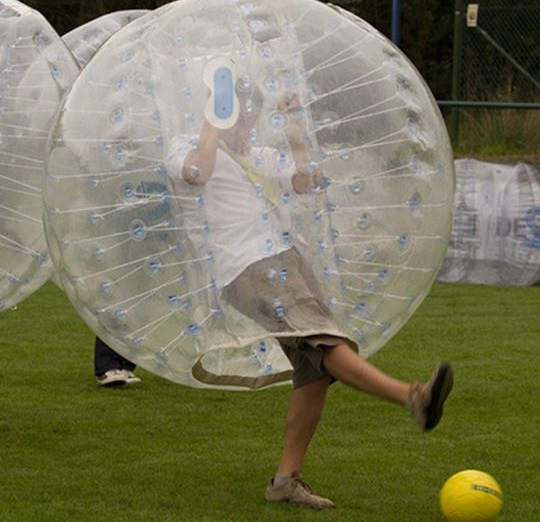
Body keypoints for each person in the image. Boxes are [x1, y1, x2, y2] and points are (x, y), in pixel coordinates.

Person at [166, 82, 454, 509]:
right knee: (322, 338)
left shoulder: (257, 156)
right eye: (238, 113)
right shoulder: (185, 145)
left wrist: (296, 130)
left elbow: (307, 180)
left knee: (314, 371)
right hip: (247, 267)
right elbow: (196, 174)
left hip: (286, 259)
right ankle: (412, 397)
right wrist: (212, 124)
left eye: (251, 115)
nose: (247, 122)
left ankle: (286, 480)